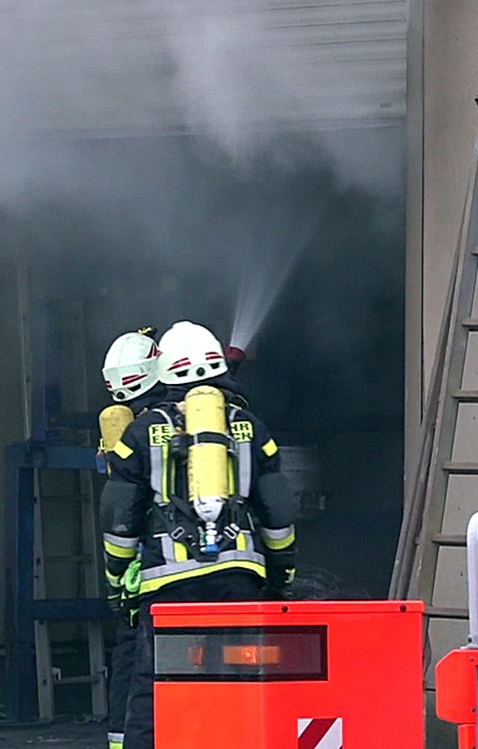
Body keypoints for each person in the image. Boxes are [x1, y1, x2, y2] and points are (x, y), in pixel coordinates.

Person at [99, 320, 298, 749]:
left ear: (164, 372)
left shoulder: (141, 432)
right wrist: (281, 578)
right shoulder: (251, 428)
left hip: (167, 588)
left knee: (154, 691)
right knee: (239, 688)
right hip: (239, 581)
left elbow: (119, 519)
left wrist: (118, 585)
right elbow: (278, 513)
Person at [97, 327, 165, 749]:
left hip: (140, 565)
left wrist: (117, 577)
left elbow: (119, 505)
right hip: (186, 559)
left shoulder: (122, 428)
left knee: (133, 658)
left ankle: (120, 741)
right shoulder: (179, 418)